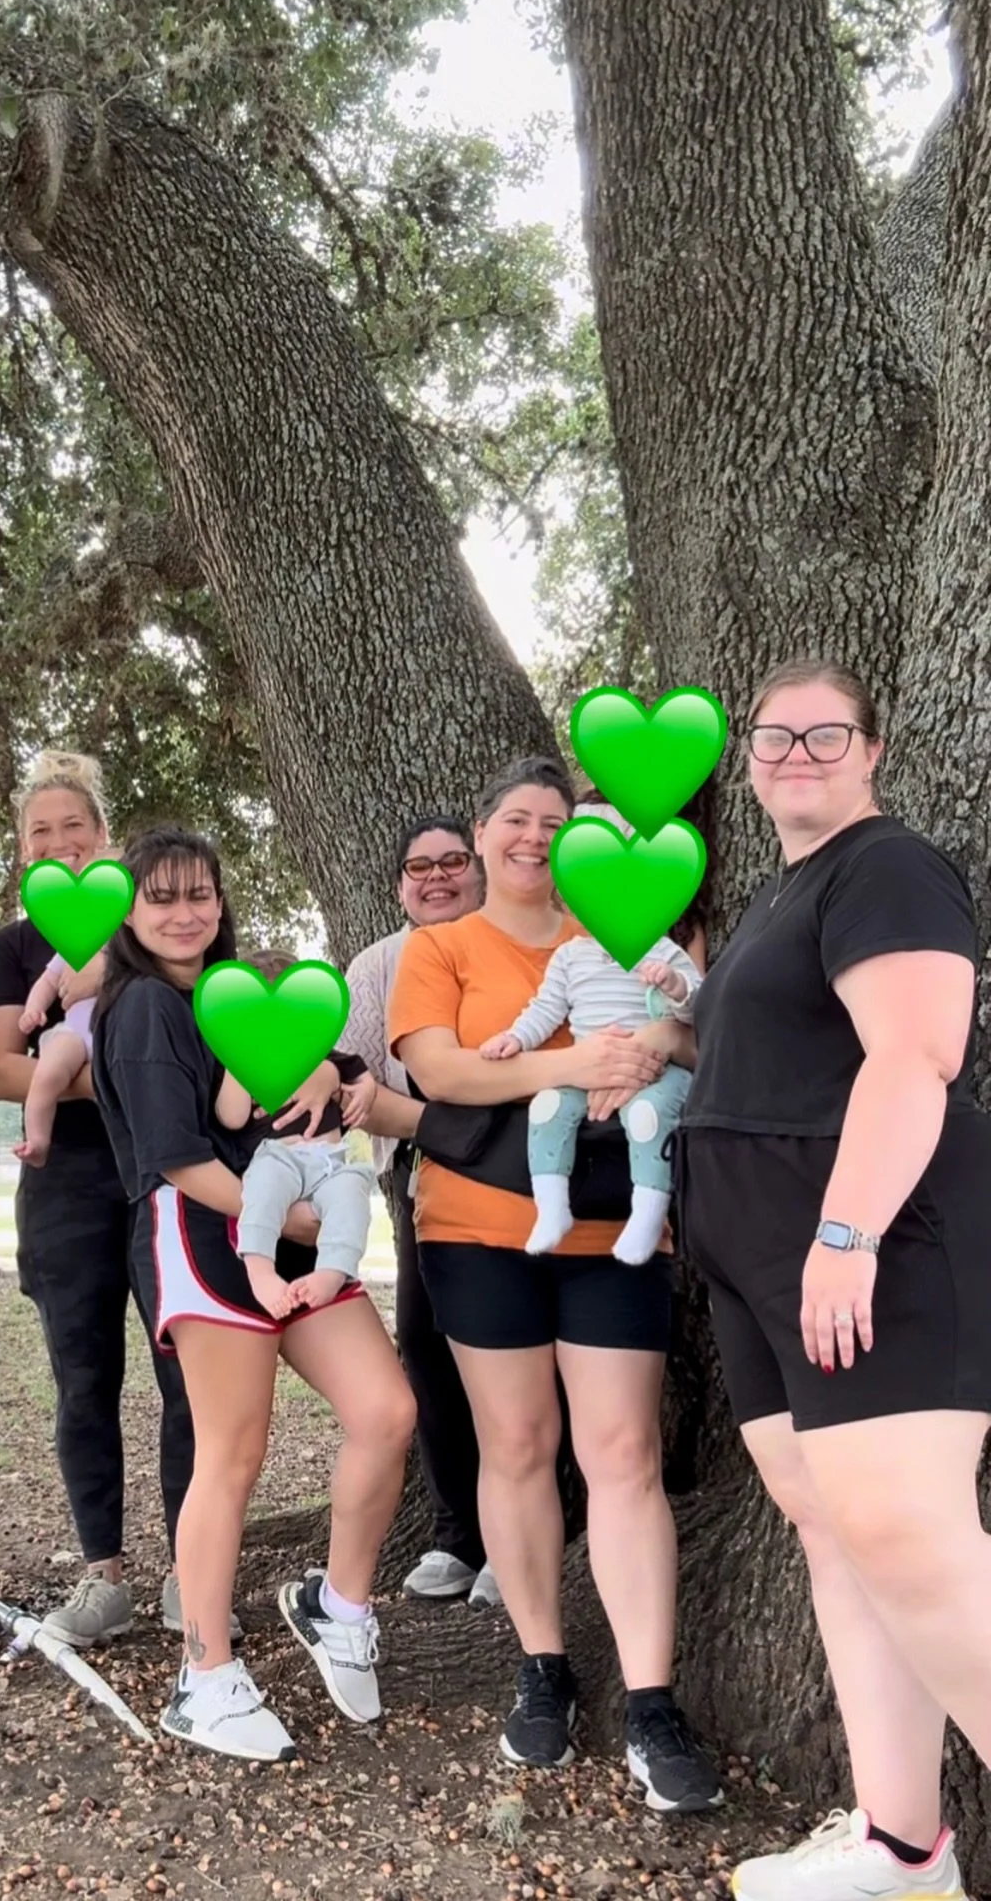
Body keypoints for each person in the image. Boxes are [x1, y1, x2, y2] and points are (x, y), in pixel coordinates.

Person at [676, 660, 991, 1901]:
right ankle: (905, 1849)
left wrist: (847, 1233)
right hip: (760, 1262)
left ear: (873, 748)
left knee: (912, 1540)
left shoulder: (888, 866)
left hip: (873, 1245)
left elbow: (915, 1054)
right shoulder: (781, 894)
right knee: (839, 1537)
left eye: (825, 733)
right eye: (772, 735)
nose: (795, 752)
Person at [388, 756, 723, 1813]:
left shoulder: (652, 924)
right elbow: (443, 1072)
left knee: (624, 1452)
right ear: (482, 836)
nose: (535, 838)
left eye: (555, 823)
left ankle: (653, 1700)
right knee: (519, 1445)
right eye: (516, 821)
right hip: (479, 1230)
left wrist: (661, 1039)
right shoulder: (439, 946)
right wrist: (577, 1065)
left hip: (620, 1225)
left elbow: (700, 1035)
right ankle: (543, 1668)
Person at [93, 827, 418, 1763]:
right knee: (231, 1452)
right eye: (162, 898)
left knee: (388, 1410)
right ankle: (205, 1674)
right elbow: (180, 1159)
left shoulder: (239, 995)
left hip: (296, 1229)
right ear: (128, 909)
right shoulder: (145, 1007)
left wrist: (334, 1072)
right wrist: (287, 1227)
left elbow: (319, 1075)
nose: (186, 913)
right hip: (207, 1232)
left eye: (201, 894)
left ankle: (337, 1605)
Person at [0, 751, 209, 1650]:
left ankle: (194, 1567)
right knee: (84, 1382)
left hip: (166, 1175)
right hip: (66, 1190)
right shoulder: (15, 945)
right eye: (41, 831)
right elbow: (3, 1068)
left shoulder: (155, 922)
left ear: (105, 836)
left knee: (186, 1375)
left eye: (76, 826)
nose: (60, 843)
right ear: (22, 850)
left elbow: (202, 1030)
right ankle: (102, 1574)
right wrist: (121, 1072)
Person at [340, 819, 496, 1607]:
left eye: (452, 863)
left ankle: (515, 1537)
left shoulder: (514, 943)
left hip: (521, 1172)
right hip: (420, 1174)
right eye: (417, 868)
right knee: (430, 1350)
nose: (436, 878)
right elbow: (351, 1077)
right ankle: (456, 1535)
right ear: (399, 884)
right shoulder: (379, 964)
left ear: (479, 868)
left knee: (515, 1352)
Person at [479, 801, 702, 1265]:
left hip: (658, 1074)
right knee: (546, 1107)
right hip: (587, 1070)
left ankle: (646, 1214)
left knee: (648, 1118)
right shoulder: (570, 956)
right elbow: (545, 1008)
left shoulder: (663, 950)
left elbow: (697, 1009)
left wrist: (672, 983)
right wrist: (517, 1038)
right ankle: (553, 1209)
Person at [217, 947, 378, 1320]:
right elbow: (231, 1117)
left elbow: (362, 1076)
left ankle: (333, 1271)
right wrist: (234, 1060)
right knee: (262, 1191)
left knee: (352, 1198)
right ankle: (260, 1270)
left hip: (332, 1162)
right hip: (280, 1155)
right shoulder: (247, 1061)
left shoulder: (322, 1054)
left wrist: (363, 1089)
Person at [15, 838, 126, 1168]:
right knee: (47, 1074)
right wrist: (33, 1008)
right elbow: (49, 980)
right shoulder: (75, 943)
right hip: (77, 1035)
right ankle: (37, 1139)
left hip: (120, 1036)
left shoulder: (136, 948)